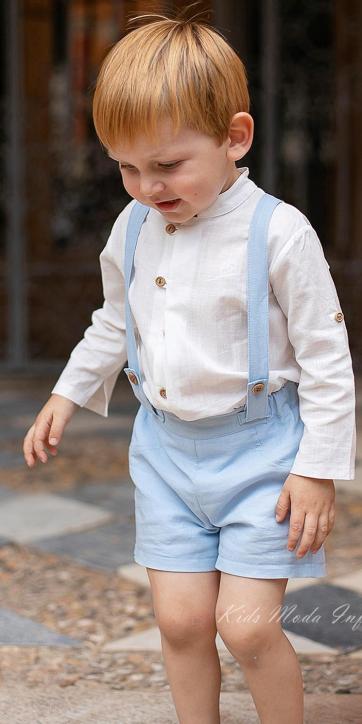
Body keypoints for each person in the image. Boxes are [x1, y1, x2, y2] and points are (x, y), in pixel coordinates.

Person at [23, 8, 356, 724]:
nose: (147, 186)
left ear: (235, 138)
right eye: (127, 168)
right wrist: (68, 391)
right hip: (167, 454)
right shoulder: (135, 223)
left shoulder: (279, 233)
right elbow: (117, 318)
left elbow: (329, 360)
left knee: (246, 624)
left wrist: (317, 468)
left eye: (168, 165)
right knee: (179, 622)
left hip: (264, 457)